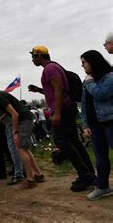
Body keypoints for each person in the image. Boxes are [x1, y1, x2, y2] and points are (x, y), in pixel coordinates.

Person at [29, 46, 96, 191]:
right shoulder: (54, 67)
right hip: (67, 107)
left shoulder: (49, 68)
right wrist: (39, 90)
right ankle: (89, 174)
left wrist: (57, 113)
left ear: (39, 56)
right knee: (74, 142)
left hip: (63, 109)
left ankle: (85, 175)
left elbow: (59, 89)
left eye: (33, 56)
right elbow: (55, 89)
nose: (32, 59)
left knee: (61, 141)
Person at [80, 50, 113, 200]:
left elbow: (102, 94)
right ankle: (102, 187)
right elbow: (84, 104)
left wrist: (90, 82)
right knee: (100, 157)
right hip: (95, 125)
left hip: (110, 121)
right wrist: (85, 124)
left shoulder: (109, 77)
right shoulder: (88, 80)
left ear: (93, 62)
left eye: (84, 62)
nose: (82, 66)